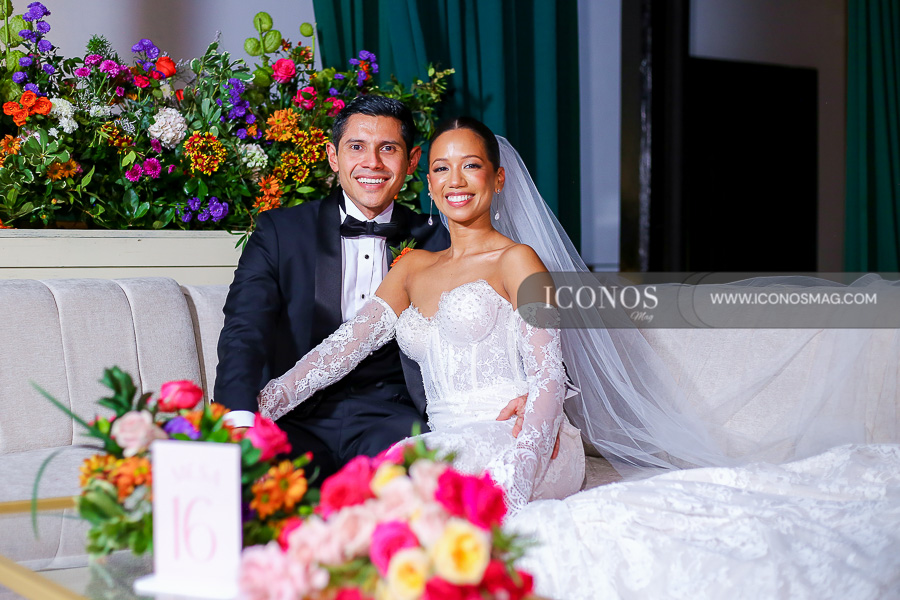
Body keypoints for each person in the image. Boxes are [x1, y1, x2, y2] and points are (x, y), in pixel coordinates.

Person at [257, 117, 586, 510]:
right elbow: (339, 351)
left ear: (498, 179)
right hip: (444, 438)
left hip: (522, 438)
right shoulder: (412, 268)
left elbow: (548, 374)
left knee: (415, 490)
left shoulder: (518, 260)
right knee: (384, 480)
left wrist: (521, 468)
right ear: (429, 184)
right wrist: (254, 409)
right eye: (442, 168)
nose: (456, 181)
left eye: (471, 165)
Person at [215, 96, 453, 480]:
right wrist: (238, 419)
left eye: (388, 148)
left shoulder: (438, 242)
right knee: (259, 491)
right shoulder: (280, 232)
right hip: (293, 416)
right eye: (356, 147)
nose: (372, 162)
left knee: (415, 488)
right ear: (333, 156)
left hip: (390, 418)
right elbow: (244, 331)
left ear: (411, 161)